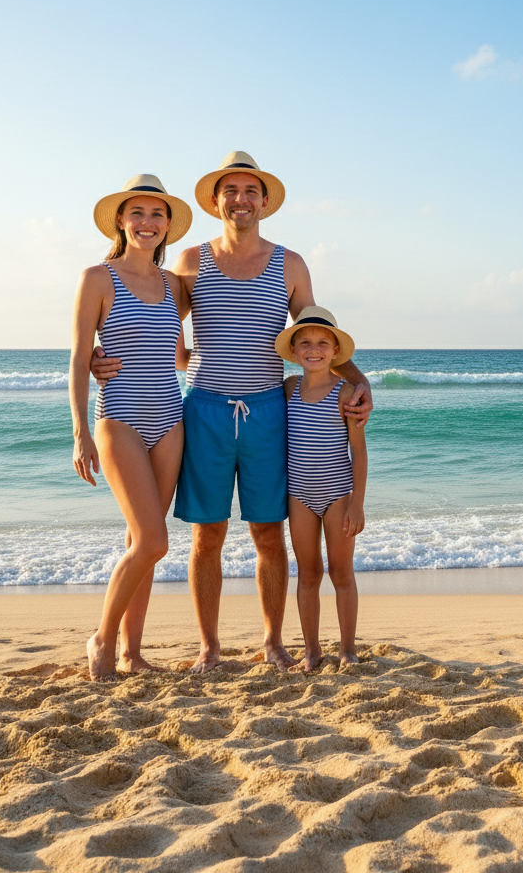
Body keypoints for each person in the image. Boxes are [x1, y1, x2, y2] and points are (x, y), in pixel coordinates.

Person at [90, 151, 373, 673]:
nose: (240, 200)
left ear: (264, 201)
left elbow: (316, 334)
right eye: (231, 191)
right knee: (208, 535)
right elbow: (155, 328)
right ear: (216, 199)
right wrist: (95, 355)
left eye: (250, 191)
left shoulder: (290, 263)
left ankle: (272, 641)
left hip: (268, 412)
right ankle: (209, 648)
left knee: (268, 532)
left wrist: (357, 378)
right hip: (203, 411)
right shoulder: (189, 262)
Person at [70, 174, 193, 680]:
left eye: (157, 215)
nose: (148, 223)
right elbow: (80, 358)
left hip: (170, 418)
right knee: (153, 540)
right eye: (137, 213)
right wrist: (80, 432)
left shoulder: (174, 286)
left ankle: (131, 652)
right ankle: (101, 638)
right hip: (119, 417)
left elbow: (183, 351)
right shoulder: (97, 278)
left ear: (168, 226)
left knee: (141, 542)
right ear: (121, 220)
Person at [275, 308, 367, 673]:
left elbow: (358, 452)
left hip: (338, 495)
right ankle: (311, 652)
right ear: (295, 350)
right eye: (306, 343)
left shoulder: (346, 392)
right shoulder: (289, 388)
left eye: (323, 344)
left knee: (341, 572)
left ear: (335, 352)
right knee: (308, 573)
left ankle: (347, 649)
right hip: (299, 496)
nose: (314, 350)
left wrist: (356, 504)